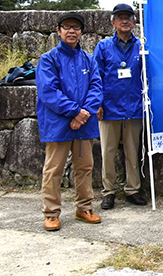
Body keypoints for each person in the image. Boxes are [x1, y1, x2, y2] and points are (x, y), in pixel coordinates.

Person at [37, 12, 103, 231]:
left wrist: (84, 113)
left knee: (85, 167)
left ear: (81, 32)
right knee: (53, 169)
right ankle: (51, 212)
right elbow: (49, 92)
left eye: (76, 27)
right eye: (67, 27)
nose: (72, 31)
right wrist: (76, 112)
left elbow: (96, 87)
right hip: (59, 124)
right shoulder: (49, 59)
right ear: (59, 31)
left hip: (83, 124)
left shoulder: (88, 59)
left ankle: (84, 208)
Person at [93, 3, 147, 210]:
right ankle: (109, 191)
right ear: (113, 22)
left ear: (134, 22)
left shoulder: (140, 45)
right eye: (120, 17)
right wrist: (97, 103)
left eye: (129, 17)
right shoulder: (104, 46)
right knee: (108, 151)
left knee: (133, 151)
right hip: (109, 107)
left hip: (134, 106)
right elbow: (95, 77)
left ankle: (133, 189)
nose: (125, 21)